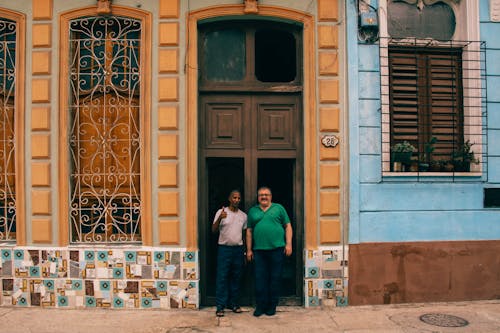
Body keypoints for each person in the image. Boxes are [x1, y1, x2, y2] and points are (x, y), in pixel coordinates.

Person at [246, 186, 292, 317]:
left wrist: (289, 244)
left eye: (266, 194)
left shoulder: (279, 208)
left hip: (277, 250)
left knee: (275, 278)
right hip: (259, 251)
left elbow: (288, 226)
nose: (264, 197)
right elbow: (249, 231)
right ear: (258, 197)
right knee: (260, 279)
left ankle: (272, 306)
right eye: (261, 195)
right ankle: (260, 306)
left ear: (271, 196)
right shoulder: (253, 211)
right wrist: (249, 250)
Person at [212, 190, 247, 317]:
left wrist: (244, 251)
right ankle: (220, 306)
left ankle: (234, 303)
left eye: (238, 198)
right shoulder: (221, 212)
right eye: (234, 197)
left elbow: (243, 234)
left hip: (238, 250)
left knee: (236, 277)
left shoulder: (243, 216)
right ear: (229, 198)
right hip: (224, 249)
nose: (236, 200)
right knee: (222, 277)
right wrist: (220, 219)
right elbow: (213, 230)